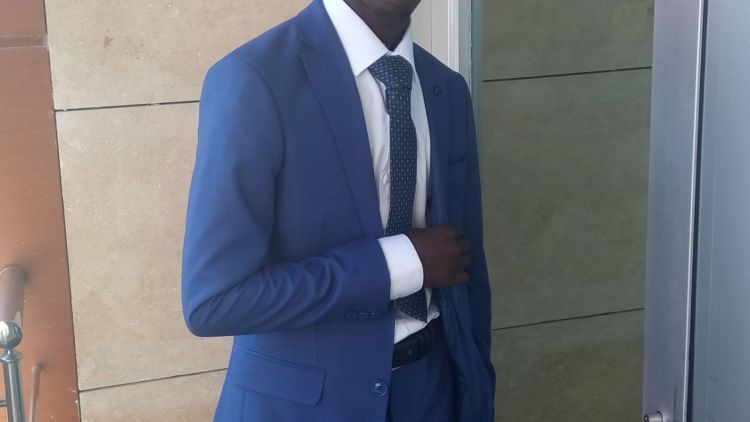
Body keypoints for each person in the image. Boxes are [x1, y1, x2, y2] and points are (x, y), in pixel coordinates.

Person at [181, 0, 494, 420]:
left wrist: (477, 394)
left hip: (433, 394)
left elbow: (468, 273)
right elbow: (215, 301)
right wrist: (401, 264)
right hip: (302, 407)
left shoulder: (446, 88)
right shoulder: (255, 77)